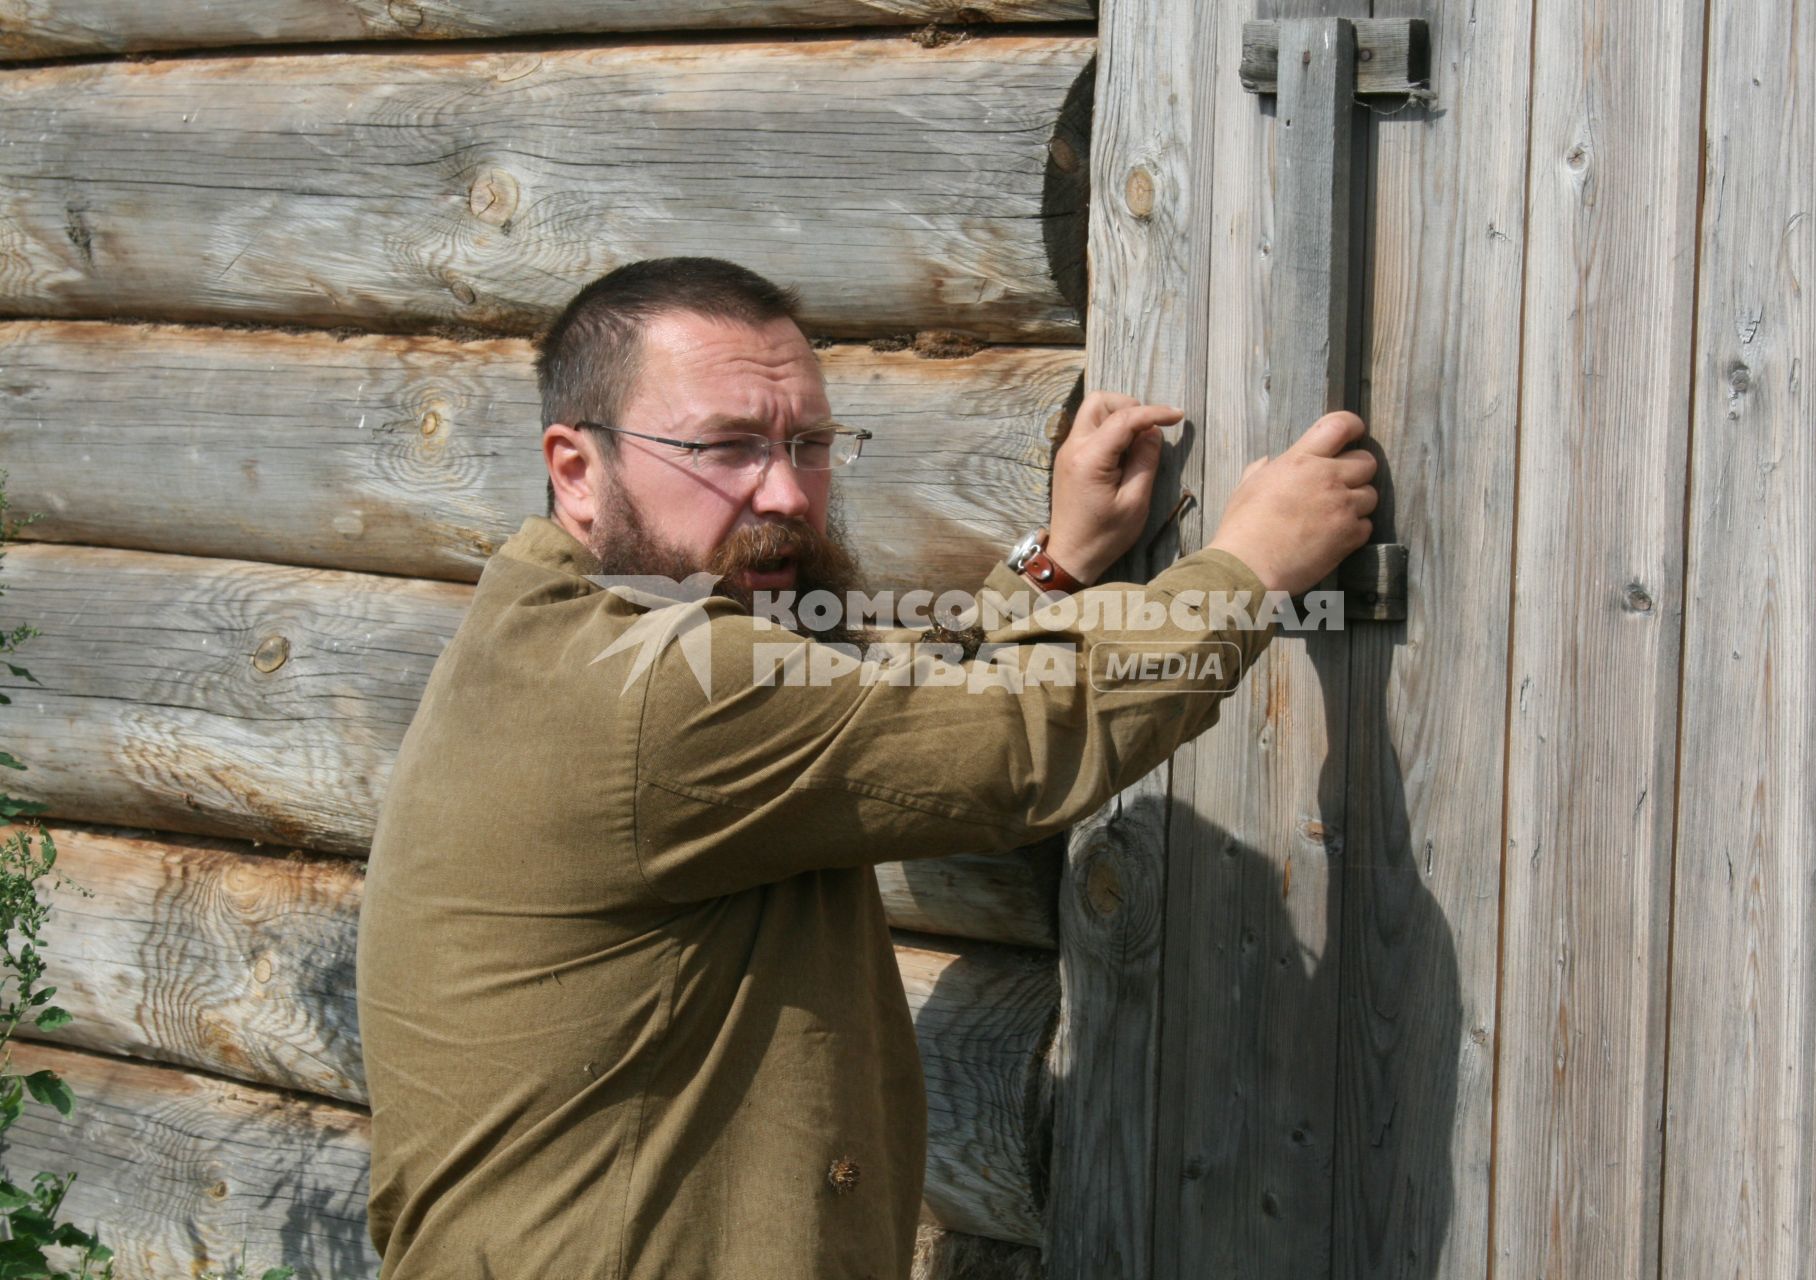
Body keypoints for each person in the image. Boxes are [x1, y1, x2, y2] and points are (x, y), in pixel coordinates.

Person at [355, 257, 1376, 1279]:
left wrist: (1052, 568)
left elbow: (870, 721)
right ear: (578, 469)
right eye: (728, 446)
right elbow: (1007, 738)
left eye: (810, 442)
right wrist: (1249, 565)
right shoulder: (652, 686)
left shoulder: (566, 631)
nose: (788, 492)